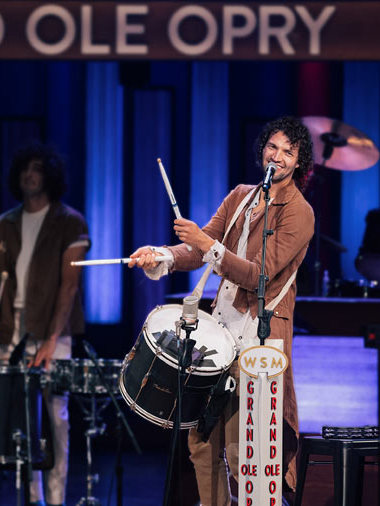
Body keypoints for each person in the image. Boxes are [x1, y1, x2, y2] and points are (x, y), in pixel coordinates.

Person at [129, 116, 314, 506]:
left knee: (242, 452)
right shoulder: (242, 196)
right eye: (273, 147)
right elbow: (199, 248)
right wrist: (160, 255)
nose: (277, 157)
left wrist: (206, 245)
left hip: (260, 343)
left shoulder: (300, 212)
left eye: (288, 152)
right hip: (220, 335)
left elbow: (258, 275)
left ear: (298, 162)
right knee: (200, 442)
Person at [0, 143, 90, 506]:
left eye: (38, 168)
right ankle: (31, 498)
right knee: (19, 421)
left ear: (49, 176)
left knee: (56, 418)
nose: (30, 174)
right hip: (11, 331)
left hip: (52, 333)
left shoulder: (69, 221)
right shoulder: (3, 224)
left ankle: (56, 498)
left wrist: (52, 338)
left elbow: (69, 286)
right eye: (25, 168)